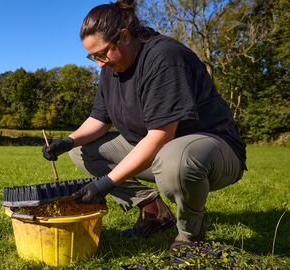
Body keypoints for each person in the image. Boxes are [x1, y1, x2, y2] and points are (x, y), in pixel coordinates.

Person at [42, 0, 246, 249]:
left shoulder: (164, 57)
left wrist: (105, 184)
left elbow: (161, 136)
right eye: (92, 56)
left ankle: (190, 236)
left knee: (175, 161)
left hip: (212, 149)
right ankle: (154, 213)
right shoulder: (111, 67)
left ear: (124, 36)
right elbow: (99, 119)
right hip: (158, 149)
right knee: (81, 151)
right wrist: (67, 141)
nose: (99, 63)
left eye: (102, 53)